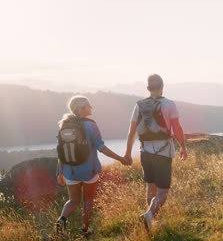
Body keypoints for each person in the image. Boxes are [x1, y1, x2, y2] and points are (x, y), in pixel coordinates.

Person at [56, 95, 130, 237]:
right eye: (89, 106)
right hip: (89, 171)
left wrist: (59, 173)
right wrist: (120, 159)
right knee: (88, 200)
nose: (91, 108)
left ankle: (61, 220)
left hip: (70, 171)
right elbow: (102, 148)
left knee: (73, 200)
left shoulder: (65, 125)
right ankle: (84, 230)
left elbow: (61, 151)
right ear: (82, 109)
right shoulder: (90, 125)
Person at [124, 74, 187, 231]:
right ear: (162, 87)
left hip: (145, 151)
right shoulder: (169, 104)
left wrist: (127, 153)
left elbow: (131, 132)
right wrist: (183, 147)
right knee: (163, 192)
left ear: (148, 88)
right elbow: (177, 128)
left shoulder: (139, 106)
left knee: (150, 188)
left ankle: (151, 221)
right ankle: (149, 214)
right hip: (163, 152)